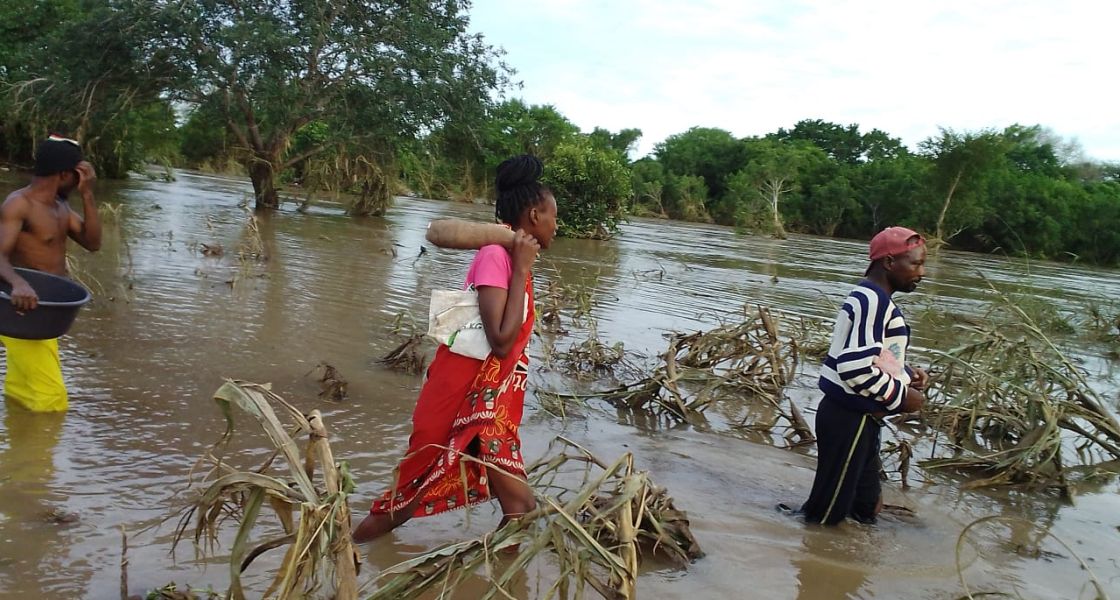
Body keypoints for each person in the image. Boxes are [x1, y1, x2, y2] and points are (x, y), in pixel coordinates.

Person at [353, 155, 558, 542]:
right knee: (405, 500)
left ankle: (491, 577)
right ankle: (344, 554)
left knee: (522, 510)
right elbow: (500, 342)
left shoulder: (510, 256)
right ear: (534, 216)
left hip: (487, 407)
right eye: (552, 216)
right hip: (459, 400)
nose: (555, 225)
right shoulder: (497, 256)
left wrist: (522, 267)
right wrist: (521, 270)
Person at [799, 226, 928, 526]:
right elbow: (853, 367)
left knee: (867, 507)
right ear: (889, 263)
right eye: (915, 263)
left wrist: (908, 375)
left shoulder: (871, 298)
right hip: (849, 417)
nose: (922, 272)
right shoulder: (873, 301)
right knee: (826, 516)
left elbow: (872, 357)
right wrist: (902, 398)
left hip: (859, 418)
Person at [0, 134, 101, 412]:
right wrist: (18, 283)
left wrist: (88, 195)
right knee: (52, 401)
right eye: (80, 176)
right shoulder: (19, 203)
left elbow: (93, 243)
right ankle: (41, 453)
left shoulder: (61, 208)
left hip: (44, 313)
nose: (82, 181)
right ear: (66, 174)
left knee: (22, 388)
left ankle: (18, 444)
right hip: (21, 310)